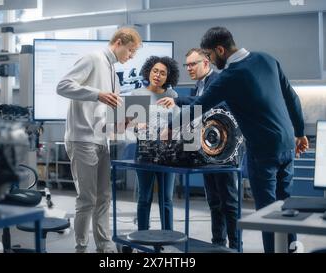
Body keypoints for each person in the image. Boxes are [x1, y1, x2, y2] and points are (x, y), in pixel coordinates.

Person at [161, 27, 308, 253]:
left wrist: (169, 128)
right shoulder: (266, 58)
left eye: (209, 55)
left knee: (267, 213)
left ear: (220, 50)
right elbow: (292, 97)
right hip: (287, 144)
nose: (210, 60)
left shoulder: (230, 76)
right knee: (285, 208)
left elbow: (198, 108)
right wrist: (300, 132)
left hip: (263, 151)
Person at [57, 27, 142, 253]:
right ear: (119, 42)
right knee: (87, 199)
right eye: (131, 51)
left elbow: (105, 114)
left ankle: (104, 247)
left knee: (104, 197)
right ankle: (81, 248)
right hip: (82, 139)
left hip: (100, 140)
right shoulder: (93, 58)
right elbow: (63, 86)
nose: (131, 56)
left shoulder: (112, 71)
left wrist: (124, 124)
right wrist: (98, 94)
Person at [158, 48, 238, 249]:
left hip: (224, 152)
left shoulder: (219, 81)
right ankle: (218, 244)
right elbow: (197, 112)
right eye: (187, 65)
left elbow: (210, 105)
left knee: (228, 202)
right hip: (206, 150)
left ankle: (235, 246)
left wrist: (178, 100)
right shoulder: (199, 86)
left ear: (207, 63)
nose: (189, 68)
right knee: (213, 200)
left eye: (193, 64)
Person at [132, 56, 180, 231]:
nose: (158, 75)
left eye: (163, 73)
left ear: (168, 77)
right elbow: (131, 128)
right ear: (148, 71)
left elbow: (177, 124)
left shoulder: (172, 95)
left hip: (167, 153)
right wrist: (138, 126)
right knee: (144, 197)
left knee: (166, 198)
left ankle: (168, 237)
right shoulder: (137, 94)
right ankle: (142, 237)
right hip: (144, 151)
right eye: (155, 71)